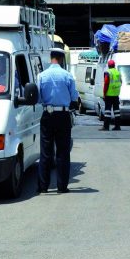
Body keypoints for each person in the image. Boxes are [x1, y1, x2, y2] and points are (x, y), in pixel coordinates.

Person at [37, 50, 79, 194]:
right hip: (63, 115)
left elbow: (38, 98)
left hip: (47, 115)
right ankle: (62, 187)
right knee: (62, 152)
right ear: (61, 59)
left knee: (45, 152)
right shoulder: (67, 75)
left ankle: (43, 187)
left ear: (51, 58)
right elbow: (74, 96)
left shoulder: (41, 76)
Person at [100, 59, 122, 131]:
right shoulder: (118, 72)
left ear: (108, 66)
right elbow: (121, 82)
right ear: (114, 65)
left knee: (107, 111)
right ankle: (117, 126)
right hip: (116, 95)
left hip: (109, 95)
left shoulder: (108, 72)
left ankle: (106, 127)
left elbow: (106, 84)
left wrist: (104, 94)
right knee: (117, 111)